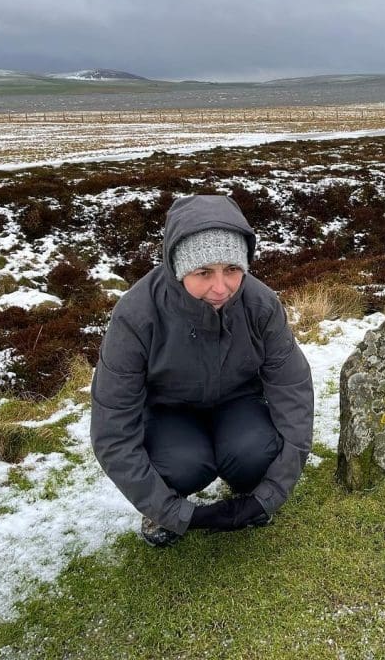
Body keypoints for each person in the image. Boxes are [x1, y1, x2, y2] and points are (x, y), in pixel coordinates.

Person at [90, 194, 314, 546]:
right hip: (168, 413)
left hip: (238, 403)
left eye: (232, 269)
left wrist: (269, 494)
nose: (221, 287)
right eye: (204, 272)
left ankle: (249, 491)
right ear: (179, 269)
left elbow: (294, 392)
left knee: (255, 450)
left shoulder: (261, 305)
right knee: (182, 464)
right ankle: (158, 511)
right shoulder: (135, 317)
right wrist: (176, 513)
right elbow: (112, 430)